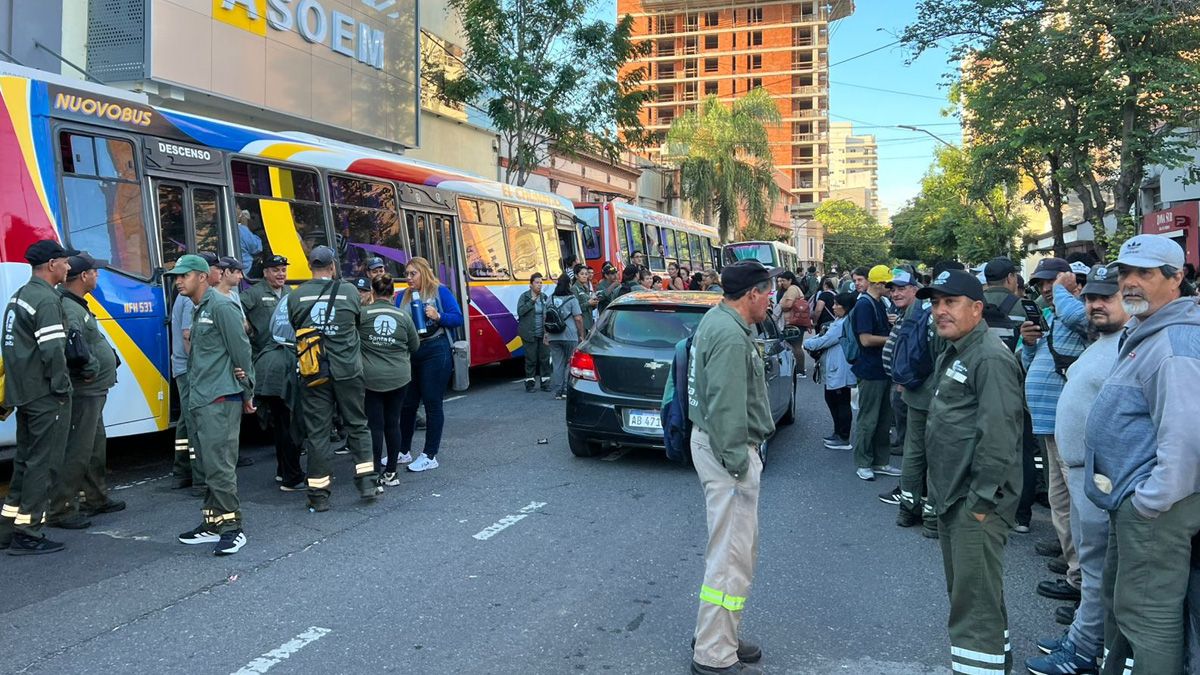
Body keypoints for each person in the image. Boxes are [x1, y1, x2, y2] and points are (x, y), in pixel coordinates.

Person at [1085, 235, 1200, 675]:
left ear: (1177, 279)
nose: (1130, 283)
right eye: (1125, 273)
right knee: (1127, 610)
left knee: (1148, 617)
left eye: (1145, 273)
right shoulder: (1150, 330)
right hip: (1137, 503)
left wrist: (1148, 503)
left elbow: (1187, 437)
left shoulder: (1174, 343)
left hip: (1156, 509)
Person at [920, 269, 1025, 675]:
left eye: (950, 302)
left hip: (974, 501)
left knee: (973, 608)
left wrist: (980, 503)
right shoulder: (956, 348)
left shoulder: (991, 358)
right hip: (955, 495)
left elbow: (999, 437)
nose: (940, 311)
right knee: (976, 595)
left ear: (977, 309)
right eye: (935, 303)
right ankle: (996, 665)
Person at [1026, 264, 1127, 674]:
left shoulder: (1133, 344)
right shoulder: (1107, 340)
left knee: (1101, 568)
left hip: (1103, 476)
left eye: (1106, 297)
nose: (1094, 305)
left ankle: (1085, 652)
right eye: (1090, 297)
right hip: (1084, 471)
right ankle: (1084, 642)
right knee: (1092, 563)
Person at [687, 260, 780, 675]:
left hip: (718, 447)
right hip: (728, 452)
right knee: (730, 556)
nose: (772, 299)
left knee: (732, 551)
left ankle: (720, 634)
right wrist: (741, 465)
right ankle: (713, 652)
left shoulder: (721, 320)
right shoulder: (729, 334)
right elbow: (726, 408)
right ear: (752, 295)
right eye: (768, 293)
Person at [168, 255, 255, 556]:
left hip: (220, 399)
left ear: (203, 277)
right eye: (176, 276)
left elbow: (241, 349)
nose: (178, 281)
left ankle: (233, 529)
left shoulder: (221, 306)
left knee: (219, 467)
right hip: (203, 398)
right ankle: (212, 523)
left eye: (184, 275)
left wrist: (248, 390)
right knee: (207, 465)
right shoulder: (199, 308)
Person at [0, 239, 77, 554]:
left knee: (25, 461)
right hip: (46, 395)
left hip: (26, 394)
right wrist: (61, 387)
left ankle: (8, 528)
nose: (69, 267)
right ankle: (29, 531)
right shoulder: (45, 300)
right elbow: (52, 351)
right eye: (65, 262)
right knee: (43, 464)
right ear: (52, 264)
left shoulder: (19, 297)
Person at [288, 245, 379, 510]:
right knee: (357, 425)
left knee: (317, 433)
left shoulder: (297, 295)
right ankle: (367, 483)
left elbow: (296, 327)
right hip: (348, 371)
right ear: (333, 267)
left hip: (314, 372)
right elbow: (359, 322)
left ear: (310, 266)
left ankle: (318, 496)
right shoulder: (350, 291)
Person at [1022, 257, 1089, 605]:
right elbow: (1030, 363)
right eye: (1041, 284)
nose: (1046, 290)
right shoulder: (1051, 316)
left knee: (1075, 504)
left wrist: (1065, 291)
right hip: (1049, 423)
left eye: (1052, 282)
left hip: (1069, 425)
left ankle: (1080, 580)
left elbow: (1080, 319)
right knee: (1059, 502)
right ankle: (1073, 565)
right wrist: (1029, 345)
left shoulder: (1080, 309)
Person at [48, 253, 125, 530]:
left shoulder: (77, 304)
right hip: (85, 388)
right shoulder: (69, 307)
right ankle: (62, 509)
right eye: (95, 272)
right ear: (83, 276)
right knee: (79, 449)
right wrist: (92, 366)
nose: (98, 276)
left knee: (94, 444)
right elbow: (72, 347)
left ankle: (96, 497)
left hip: (94, 388)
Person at [980, 257, 1038, 535]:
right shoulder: (1024, 307)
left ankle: (984, 506)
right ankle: (1021, 515)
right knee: (1021, 450)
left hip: (979, 385)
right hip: (1018, 386)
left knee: (981, 443)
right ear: (1011, 278)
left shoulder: (971, 304)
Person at [241, 254, 304, 491]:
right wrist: (248, 330)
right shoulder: (254, 293)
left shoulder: (291, 293)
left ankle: (283, 471)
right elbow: (235, 310)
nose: (281, 274)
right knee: (288, 421)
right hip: (270, 362)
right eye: (275, 270)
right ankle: (291, 474)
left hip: (290, 360)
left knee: (282, 423)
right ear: (265, 272)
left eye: (283, 270)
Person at [396, 256, 464, 473]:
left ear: (423, 272)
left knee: (432, 403)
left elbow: (457, 318)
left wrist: (438, 316)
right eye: (406, 274)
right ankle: (403, 451)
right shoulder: (401, 297)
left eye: (412, 273)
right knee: (407, 404)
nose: (408, 278)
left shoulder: (440, 292)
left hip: (436, 350)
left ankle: (429, 455)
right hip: (411, 352)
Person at [360, 274, 420, 485]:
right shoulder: (403, 317)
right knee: (392, 423)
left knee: (374, 426)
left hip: (371, 378)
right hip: (399, 377)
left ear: (373, 293)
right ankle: (392, 472)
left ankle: (375, 473)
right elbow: (415, 346)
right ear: (393, 293)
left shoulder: (362, 314)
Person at [170, 251, 220, 492]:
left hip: (183, 367)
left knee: (186, 421)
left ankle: (182, 470)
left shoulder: (186, 296)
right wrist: (200, 367)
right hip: (190, 369)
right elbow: (189, 336)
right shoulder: (191, 299)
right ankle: (201, 479)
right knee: (196, 424)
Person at [850, 265, 901, 482]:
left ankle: (881, 461)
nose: (892, 289)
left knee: (884, 418)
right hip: (870, 370)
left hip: (882, 369)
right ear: (878, 284)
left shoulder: (878, 303)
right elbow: (865, 339)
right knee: (868, 419)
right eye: (888, 285)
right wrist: (893, 338)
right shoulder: (864, 305)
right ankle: (863, 462)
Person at [877, 268, 919, 506]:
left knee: (913, 446)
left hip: (908, 389)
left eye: (902, 288)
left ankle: (909, 493)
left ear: (915, 290)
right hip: (901, 386)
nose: (895, 293)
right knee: (911, 443)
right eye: (893, 289)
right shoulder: (906, 312)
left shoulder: (915, 313)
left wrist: (906, 381)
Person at [804, 292, 858, 450]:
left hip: (840, 367)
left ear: (845, 307)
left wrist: (808, 345)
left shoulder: (844, 323)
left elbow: (826, 340)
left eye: (836, 304)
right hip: (835, 366)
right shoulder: (840, 320)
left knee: (840, 401)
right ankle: (838, 432)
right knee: (833, 399)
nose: (833, 307)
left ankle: (843, 437)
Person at [546, 273, 585, 400]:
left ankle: (558, 391)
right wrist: (582, 335)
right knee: (570, 363)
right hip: (570, 335)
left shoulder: (550, 298)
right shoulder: (572, 299)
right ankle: (567, 390)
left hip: (553, 335)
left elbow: (544, 317)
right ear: (569, 284)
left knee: (557, 364)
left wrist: (545, 335)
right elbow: (578, 318)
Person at [517, 273, 552, 392]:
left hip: (543, 333)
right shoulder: (525, 297)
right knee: (531, 359)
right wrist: (531, 301)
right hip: (528, 333)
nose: (539, 285)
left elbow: (549, 314)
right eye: (537, 282)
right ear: (531, 285)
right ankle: (530, 384)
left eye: (541, 282)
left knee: (545, 359)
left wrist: (548, 332)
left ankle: (545, 383)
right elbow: (520, 311)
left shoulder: (544, 297)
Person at [774, 271, 808, 377]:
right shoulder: (794, 288)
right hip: (796, 321)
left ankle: (800, 371)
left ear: (790, 280)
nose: (782, 283)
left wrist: (780, 305)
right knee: (794, 346)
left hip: (794, 322)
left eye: (784, 280)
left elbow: (788, 305)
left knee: (796, 346)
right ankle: (799, 369)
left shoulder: (792, 289)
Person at [571, 264, 598, 335]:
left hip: (589, 322)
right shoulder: (574, 288)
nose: (585, 276)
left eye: (586, 274)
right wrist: (588, 303)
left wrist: (594, 303)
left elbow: (591, 307)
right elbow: (575, 309)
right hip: (581, 325)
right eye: (582, 274)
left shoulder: (586, 288)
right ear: (576, 276)